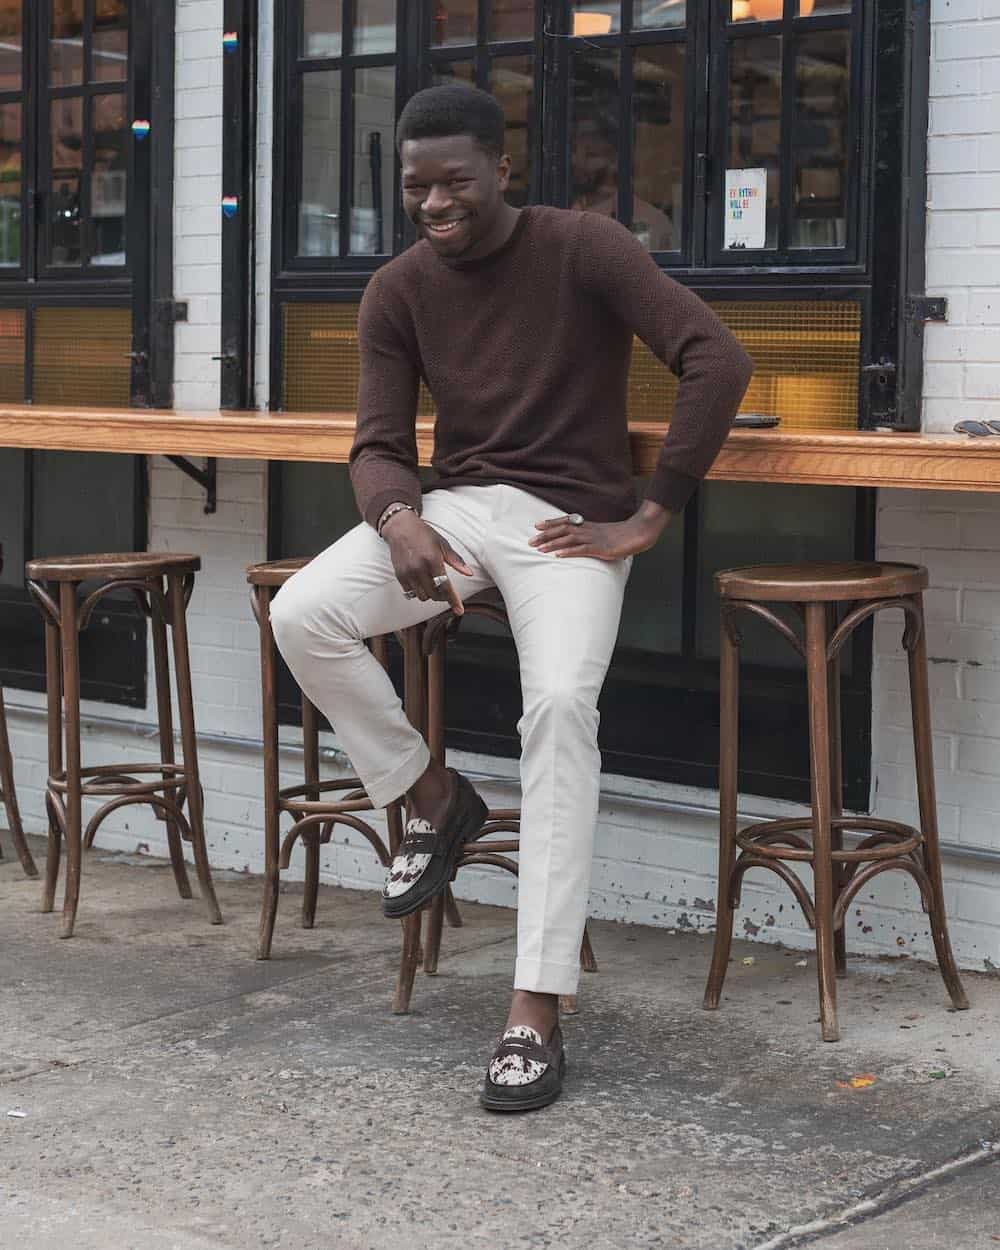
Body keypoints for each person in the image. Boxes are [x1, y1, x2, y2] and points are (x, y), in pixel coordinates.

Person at [270, 83, 752, 1113]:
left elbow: (716, 357)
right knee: (304, 610)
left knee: (559, 712)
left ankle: (534, 1004)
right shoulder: (396, 289)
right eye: (416, 187)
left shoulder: (586, 247)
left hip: (569, 523)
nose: (435, 204)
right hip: (457, 512)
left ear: (502, 173)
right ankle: (432, 797)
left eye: (455, 183)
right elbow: (377, 440)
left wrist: (651, 511)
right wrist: (396, 513)